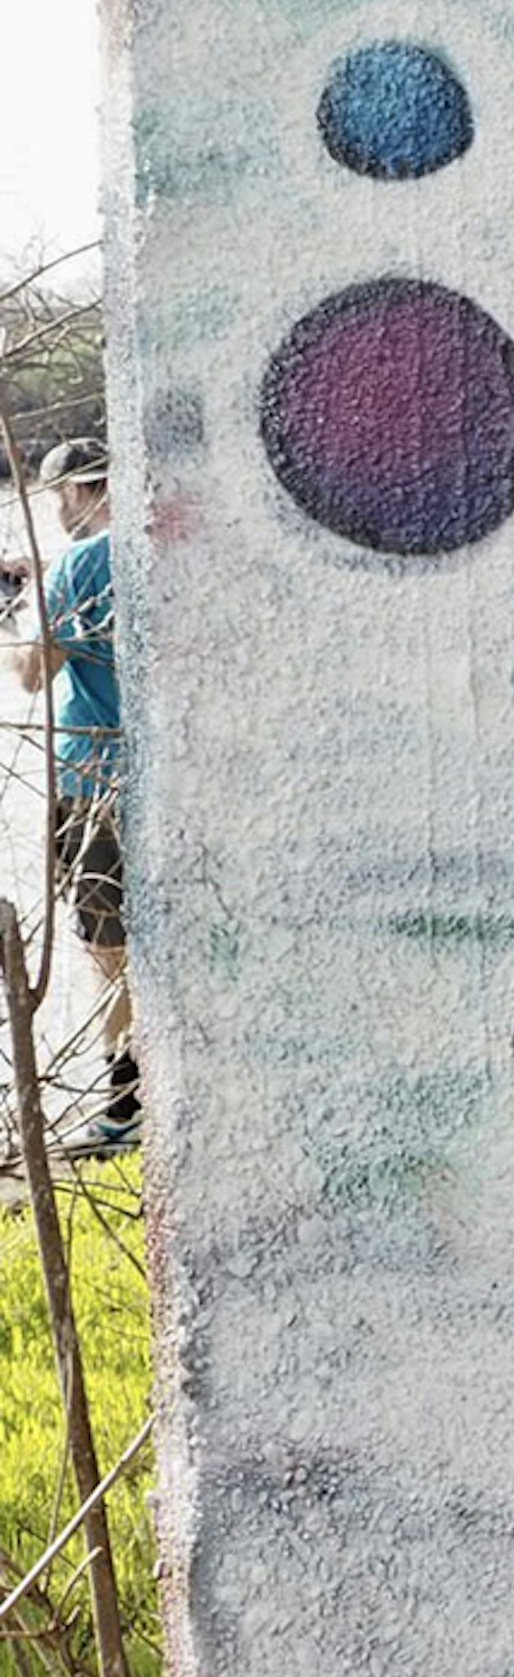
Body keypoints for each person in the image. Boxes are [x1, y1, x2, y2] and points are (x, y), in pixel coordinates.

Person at [14, 438, 129, 1156]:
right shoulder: (165, 542)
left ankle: (123, 1105)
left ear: (78, 492)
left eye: (56, 496)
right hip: (162, 775)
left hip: (91, 783)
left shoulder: (80, 565)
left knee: (108, 950)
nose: (53, 510)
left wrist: (36, 596)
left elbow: (30, 673)